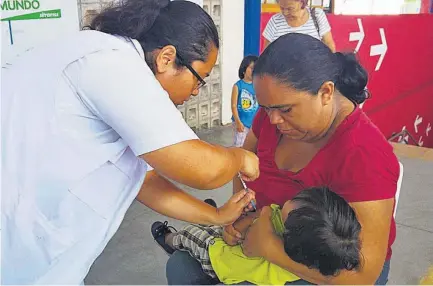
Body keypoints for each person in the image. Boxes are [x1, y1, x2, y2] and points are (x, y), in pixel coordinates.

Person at [1, 0, 259, 284]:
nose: (196, 92)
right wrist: (240, 157)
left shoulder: (102, 59)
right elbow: (202, 169)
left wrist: (217, 215)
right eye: (200, 79)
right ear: (166, 58)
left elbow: (145, 182)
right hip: (20, 245)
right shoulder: (112, 63)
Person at [166, 33, 400, 285]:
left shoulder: (363, 155)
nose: (273, 120)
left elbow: (362, 276)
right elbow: (243, 168)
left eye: (286, 109)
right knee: (181, 266)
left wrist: (269, 248)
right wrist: (241, 215)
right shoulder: (271, 118)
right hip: (268, 227)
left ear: (326, 92)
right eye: (266, 108)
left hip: (330, 265)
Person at [153, 186, 361, 285]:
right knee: (217, 225)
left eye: (283, 212)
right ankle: (210, 218)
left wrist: (261, 214)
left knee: (191, 236)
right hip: (233, 245)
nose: (279, 206)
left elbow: (252, 223)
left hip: (219, 259)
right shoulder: (310, 249)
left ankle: (170, 240)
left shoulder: (270, 223)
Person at [263, 0, 335, 52]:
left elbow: (329, 44)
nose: (285, 13)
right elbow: (265, 53)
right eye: (282, 8)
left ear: (302, 2)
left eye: (290, 8)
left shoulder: (317, 15)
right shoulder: (275, 21)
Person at [231, 55, 259, 147]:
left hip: (255, 124)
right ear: (244, 68)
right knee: (240, 145)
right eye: (251, 68)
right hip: (242, 124)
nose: (253, 71)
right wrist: (238, 122)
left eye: (256, 69)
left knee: (253, 146)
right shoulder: (238, 86)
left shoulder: (258, 86)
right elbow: (234, 105)